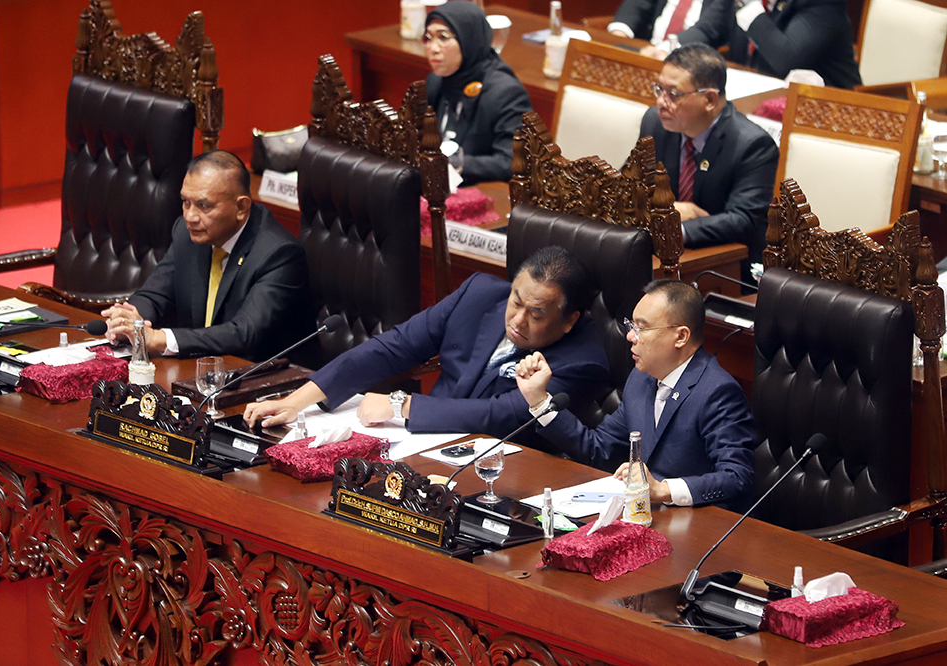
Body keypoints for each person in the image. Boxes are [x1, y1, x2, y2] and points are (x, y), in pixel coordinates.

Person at [244, 246, 609, 440]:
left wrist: (401, 405)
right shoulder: (480, 294)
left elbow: (501, 415)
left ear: (569, 320)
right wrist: (296, 401)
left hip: (501, 471)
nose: (517, 320)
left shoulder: (584, 359)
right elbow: (394, 346)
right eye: (516, 300)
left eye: (537, 314)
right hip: (421, 445)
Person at [516, 279, 756, 508]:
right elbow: (598, 449)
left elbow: (737, 477)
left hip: (701, 526)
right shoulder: (641, 379)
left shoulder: (716, 391)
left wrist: (663, 490)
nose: (630, 336)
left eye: (642, 327)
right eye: (631, 326)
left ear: (681, 336)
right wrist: (539, 400)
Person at [101, 150, 314, 362]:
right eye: (185, 202)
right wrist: (128, 321)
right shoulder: (189, 234)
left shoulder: (279, 254)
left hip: (266, 377)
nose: (190, 216)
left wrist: (158, 338)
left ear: (241, 207)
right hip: (203, 370)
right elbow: (155, 295)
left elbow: (244, 333)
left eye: (203, 206)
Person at [640, 43, 778, 283]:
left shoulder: (752, 145)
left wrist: (671, 228)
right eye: (659, 89)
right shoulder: (656, 123)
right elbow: (631, 185)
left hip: (725, 268)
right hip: (663, 257)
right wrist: (667, 210)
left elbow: (743, 219)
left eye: (673, 94)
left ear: (710, 99)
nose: (661, 102)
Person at [423, 1, 532, 185]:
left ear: (469, 39)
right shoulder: (435, 81)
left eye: (443, 37)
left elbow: (511, 162)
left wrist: (456, 163)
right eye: (428, 37)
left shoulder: (506, 93)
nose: (433, 48)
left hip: (481, 192)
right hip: (437, 186)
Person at [726, 0, 861, 89]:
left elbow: (785, 58)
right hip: (760, 101)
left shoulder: (824, 4)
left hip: (830, 114)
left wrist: (749, 8)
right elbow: (708, 31)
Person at [608, 0, 732, 60]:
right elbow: (636, 4)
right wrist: (619, 34)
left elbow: (708, 28)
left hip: (689, 62)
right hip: (647, 50)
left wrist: (665, 49)